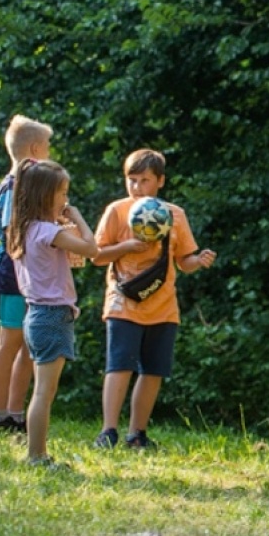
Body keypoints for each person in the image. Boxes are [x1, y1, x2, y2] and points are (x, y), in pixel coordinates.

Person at [90, 149, 214, 451]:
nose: (136, 187)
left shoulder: (175, 215)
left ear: (160, 181)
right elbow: (96, 256)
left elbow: (183, 261)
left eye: (144, 180)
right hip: (122, 303)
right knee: (119, 365)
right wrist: (127, 247)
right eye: (131, 180)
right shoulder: (117, 211)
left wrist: (198, 260)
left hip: (163, 306)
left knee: (153, 370)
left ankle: (137, 434)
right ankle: (108, 431)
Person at [7, 159, 98, 465]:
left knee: (43, 390)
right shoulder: (48, 231)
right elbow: (92, 249)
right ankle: (36, 455)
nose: (66, 200)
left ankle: (37, 453)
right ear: (44, 195)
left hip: (36, 315)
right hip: (51, 315)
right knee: (44, 392)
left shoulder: (25, 229)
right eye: (62, 193)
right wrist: (79, 217)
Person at [0, 114, 53, 435]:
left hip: (31, 275)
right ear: (36, 149)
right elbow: (14, 234)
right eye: (49, 147)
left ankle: (15, 413)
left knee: (29, 344)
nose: (51, 152)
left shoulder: (27, 186)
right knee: (10, 341)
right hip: (14, 276)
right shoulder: (14, 187)